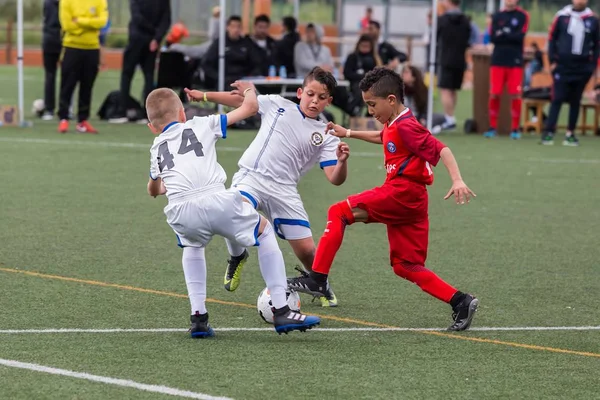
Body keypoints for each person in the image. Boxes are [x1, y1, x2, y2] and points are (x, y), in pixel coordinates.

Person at [288, 68, 479, 332]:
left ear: (390, 100)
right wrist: (348, 133)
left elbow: (441, 149)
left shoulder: (408, 126)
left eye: (372, 105)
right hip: (413, 202)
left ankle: (318, 279)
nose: (370, 112)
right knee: (405, 265)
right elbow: (383, 136)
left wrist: (457, 179)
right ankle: (461, 301)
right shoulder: (395, 122)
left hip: (403, 192)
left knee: (338, 212)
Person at [145, 84, 321, 337]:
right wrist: (250, 90)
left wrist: (164, 187)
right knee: (264, 232)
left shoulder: (156, 147)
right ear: (183, 114)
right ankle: (282, 309)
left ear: (152, 127)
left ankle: (198, 319)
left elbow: (153, 189)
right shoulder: (201, 124)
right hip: (216, 199)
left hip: (181, 211)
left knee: (193, 247)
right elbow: (249, 108)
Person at [184, 67, 349, 307]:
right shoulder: (277, 103)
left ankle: (320, 283)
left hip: (284, 190)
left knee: (307, 251)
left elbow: (335, 178)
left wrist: (342, 163)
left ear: (329, 101)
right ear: (300, 92)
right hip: (252, 177)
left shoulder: (327, 135)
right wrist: (206, 96)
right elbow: (242, 100)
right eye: (311, 94)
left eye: (322, 98)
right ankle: (237, 255)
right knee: (233, 210)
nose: (315, 101)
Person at [541, 0, 599, 146]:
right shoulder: (561, 16)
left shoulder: (592, 19)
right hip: (562, 66)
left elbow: (597, 44)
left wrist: (592, 66)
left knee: (575, 100)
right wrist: (552, 61)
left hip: (582, 67)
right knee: (557, 98)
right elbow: (552, 39)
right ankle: (549, 132)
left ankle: (570, 133)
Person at [109, 0, 171, 124]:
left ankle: (122, 111)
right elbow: (166, 21)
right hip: (152, 43)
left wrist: (151, 33)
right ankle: (147, 114)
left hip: (137, 38)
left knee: (127, 74)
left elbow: (137, 17)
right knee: (148, 75)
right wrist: (156, 38)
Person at [57, 0, 108, 134]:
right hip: (71, 47)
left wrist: (79, 21)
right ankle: (63, 118)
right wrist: (91, 23)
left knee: (87, 85)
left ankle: (82, 121)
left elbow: (102, 21)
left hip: (92, 48)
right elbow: (67, 25)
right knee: (67, 85)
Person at [484, 0, 529, 139]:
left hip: (515, 61)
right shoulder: (497, 16)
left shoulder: (523, 16)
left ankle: (515, 129)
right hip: (498, 60)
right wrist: (508, 34)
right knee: (494, 93)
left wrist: (503, 33)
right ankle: (492, 128)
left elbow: (519, 37)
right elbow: (493, 37)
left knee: (515, 94)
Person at [436, 0, 471, 132]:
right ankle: (450, 116)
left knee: (445, 89)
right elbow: (469, 38)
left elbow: (436, 37)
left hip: (445, 58)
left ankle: (449, 118)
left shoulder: (442, 20)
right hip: (460, 59)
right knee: (453, 89)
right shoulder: (466, 20)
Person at [202, 16, 262, 89]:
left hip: (243, 80)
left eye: (238, 27)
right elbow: (206, 64)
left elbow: (256, 62)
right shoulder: (220, 43)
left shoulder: (247, 43)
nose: (236, 30)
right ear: (227, 27)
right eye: (233, 26)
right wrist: (219, 78)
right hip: (224, 81)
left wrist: (250, 76)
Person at [344, 35, 382, 113]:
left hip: (372, 85)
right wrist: (363, 76)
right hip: (356, 84)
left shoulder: (375, 58)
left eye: (367, 46)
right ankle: (353, 111)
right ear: (359, 45)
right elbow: (347, 73)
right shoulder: (353, 57)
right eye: (363, 46)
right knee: (360, 92)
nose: (365, 48)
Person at [402, 65, 445, 132]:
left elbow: (426, 108)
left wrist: (422, 117)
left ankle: (423, 126)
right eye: (403, 72)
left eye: (407, 72)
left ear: (414, 76)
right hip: (405, 118)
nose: (403, 74)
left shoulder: (422, 90)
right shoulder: (400, 90)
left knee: (440, 117)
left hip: (419, 117)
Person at [41, 0, 61, 121]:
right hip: (63, 39)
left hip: (49, 39)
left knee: (50, 75)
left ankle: (49, 109)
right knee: (68, 76)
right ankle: (66, 108)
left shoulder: (47, 2)